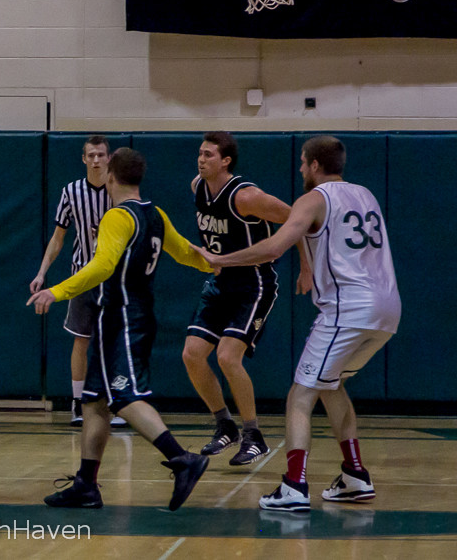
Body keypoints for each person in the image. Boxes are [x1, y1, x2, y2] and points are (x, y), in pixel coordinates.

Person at [198, 135, 401, 511]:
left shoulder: (314, 199)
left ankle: (293, 486)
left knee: (300, 395)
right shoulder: (366, 194)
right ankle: (355, 476)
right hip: (387, 309)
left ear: (314, 165)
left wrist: (220, 259)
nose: (299, 169)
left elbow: (274, 247)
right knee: (331, 385)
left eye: (303, 163)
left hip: (348, 309)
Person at [28, 147, 212, 510]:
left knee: (123, 397)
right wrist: (217, 264)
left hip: (124, 317)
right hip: (124, 316)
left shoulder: (117, 216)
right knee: (94, 401)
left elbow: (102, 267)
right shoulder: (155, 214)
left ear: (110, 175)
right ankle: (86, 484)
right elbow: (185, 252)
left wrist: (57, 291)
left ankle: (182, 459)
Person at [183, 131, 310, 466]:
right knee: (192, 354)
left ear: (226, 161)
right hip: (220, 282)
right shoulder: (197, 187)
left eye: (209, 154)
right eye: (200, 153)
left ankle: (253, 434)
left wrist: (306, 267)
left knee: (227, 357)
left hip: (254, 284)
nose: (201, 159)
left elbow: (297, 220)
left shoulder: (246, 196)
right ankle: (225, 425)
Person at [30, 135, 125, 428]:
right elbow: (58, 238)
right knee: (81, 340)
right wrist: (42, 272)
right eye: (91, 155)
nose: (96, 160)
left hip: (114, 277)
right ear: (83, 159)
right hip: (82, 276)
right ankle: (78, 402)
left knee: (113, 341)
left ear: (109, 159)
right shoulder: (71, 192)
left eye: (100, 155)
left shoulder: (119, 191)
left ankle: (115, 401)